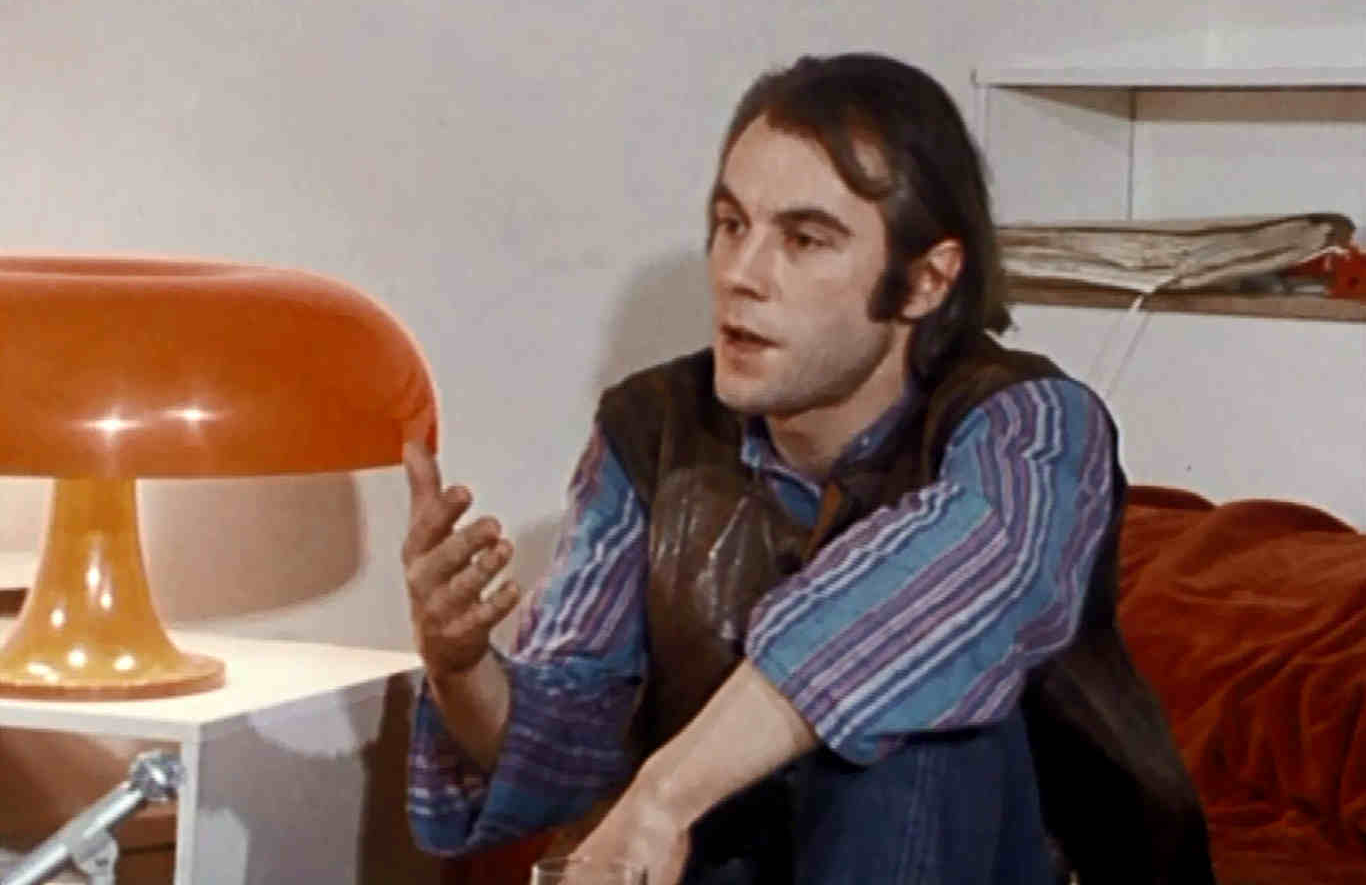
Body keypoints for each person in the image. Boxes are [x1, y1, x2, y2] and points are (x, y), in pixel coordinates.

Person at [402, 53, 1213, 884]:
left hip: (993, 858)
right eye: (731, 225)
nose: (740, 275)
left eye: (804, 239)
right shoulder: (649, 430)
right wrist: (462, 669)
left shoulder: (1032, 422)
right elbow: (574, 737)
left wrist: (666, 794)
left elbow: (942, 597)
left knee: (908, 720)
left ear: (926, 280)